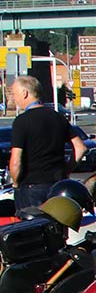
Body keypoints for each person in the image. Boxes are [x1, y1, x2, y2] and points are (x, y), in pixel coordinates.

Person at [7, 75, 85, 210]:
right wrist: (66, 170)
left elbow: (16, 161)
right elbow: (80, 148)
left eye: (14, 94)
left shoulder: (22, 121)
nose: (14, 98)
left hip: (31, 187)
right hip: (58, 185)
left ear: (24, 93)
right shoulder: (57, 117)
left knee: (33, 229)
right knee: (57, 226)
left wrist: (15, 183)